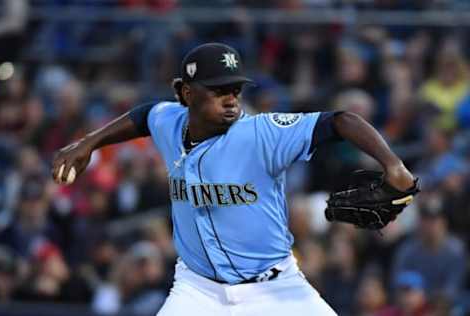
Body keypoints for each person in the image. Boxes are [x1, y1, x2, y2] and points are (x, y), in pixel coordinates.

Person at [52, 42, 416, 315]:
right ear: (186, 93)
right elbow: (145, 115)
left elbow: (340, 120)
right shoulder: (169, 121)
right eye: (218, 90)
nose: (231, 99)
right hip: (197, 290)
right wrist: (89, 142)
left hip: (276, 288)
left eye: (235, 90)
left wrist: (393, 165)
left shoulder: (262, 133)